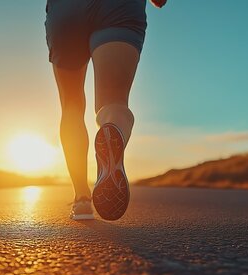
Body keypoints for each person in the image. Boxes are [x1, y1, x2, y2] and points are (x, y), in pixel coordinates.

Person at [45, 0, 167, 221]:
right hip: (118, 7)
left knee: (71, 106)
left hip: (66, 10)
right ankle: (113, 131)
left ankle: (81, 199)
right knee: (114, 103)